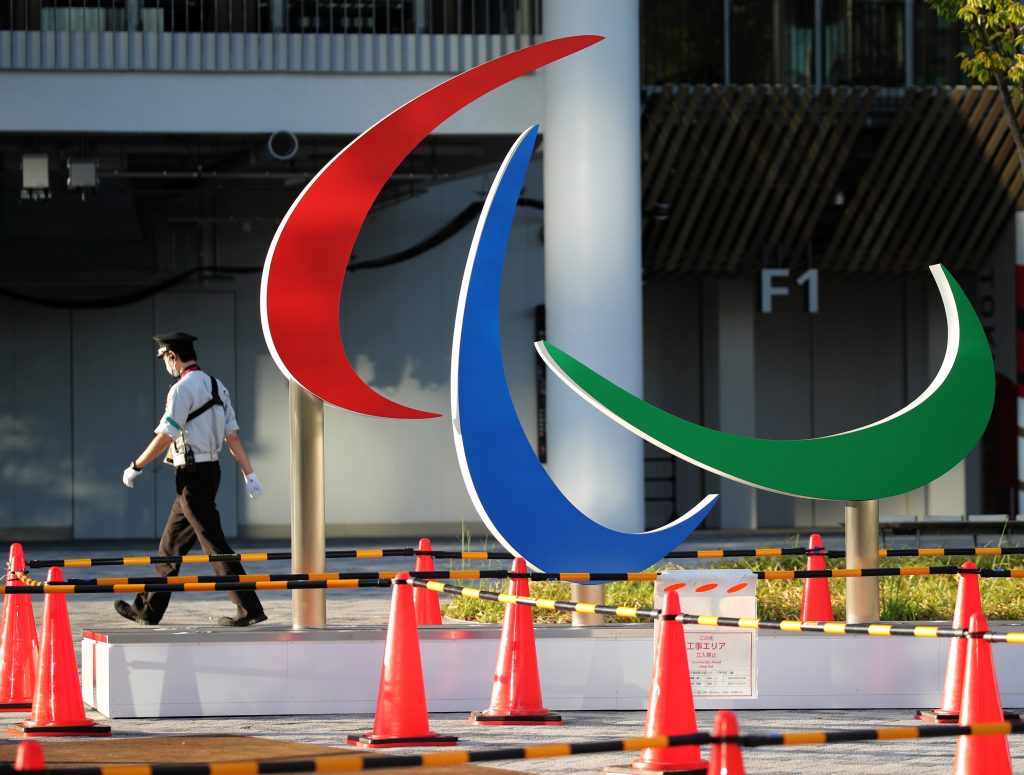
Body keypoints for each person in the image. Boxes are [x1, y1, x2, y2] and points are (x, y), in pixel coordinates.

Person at [117, 332, 268, 627]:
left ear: (172, 356)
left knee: (215, 545)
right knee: (170, 546)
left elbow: (166, 435)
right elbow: (232, 436)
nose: (166, 366)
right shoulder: (216, 386)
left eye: (165, 360)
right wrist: (249, 474)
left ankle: (250, 608)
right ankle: (147, 610)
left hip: (192, 477)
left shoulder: (181, 389)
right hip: (210, 473)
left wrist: (136, 465)